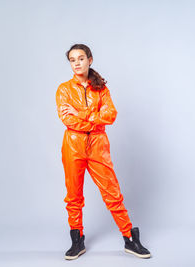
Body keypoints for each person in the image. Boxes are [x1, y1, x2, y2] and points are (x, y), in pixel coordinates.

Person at [55, 44, 151, 260]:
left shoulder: (101, 89)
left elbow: (111, 115)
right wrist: (93, 117)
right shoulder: (63, 89)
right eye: (72, 60)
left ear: (90, 59)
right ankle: (76, 240)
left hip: (98, 146)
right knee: (73, 196)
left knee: (112, 193)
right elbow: (67, 120)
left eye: (81, 58)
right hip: (73, 146)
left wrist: (81, 112)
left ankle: (130, 238)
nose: (77, 63)